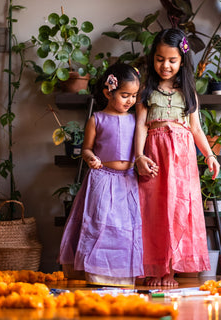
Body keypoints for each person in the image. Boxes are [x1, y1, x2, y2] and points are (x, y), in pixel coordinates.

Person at [134, 28, 220, 287]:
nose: (166, 65)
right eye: (160, 59)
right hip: (155, 159)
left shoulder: (188, 93)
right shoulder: (145, 93)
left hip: (182, 163)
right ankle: (153, 268)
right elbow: (141, 126)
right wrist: (139, 156)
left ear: (182, 61)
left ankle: (170, 270)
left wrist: (210, 155)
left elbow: (196, 129)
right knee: (153, 212)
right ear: (153, 59)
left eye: (172, 60)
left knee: (178, 211)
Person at [58, 63, 143, 287]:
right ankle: (96, 273)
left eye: (134, 96)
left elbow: (140, 148)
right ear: (108, 92)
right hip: (103, 178)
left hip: (128, 180)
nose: (130, 100)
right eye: (125, 95)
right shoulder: (97, 119)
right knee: (99, 225)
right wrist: (91, 158)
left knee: (125, 228)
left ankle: (123, 275)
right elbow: (86, 148)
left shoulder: (135, 120)